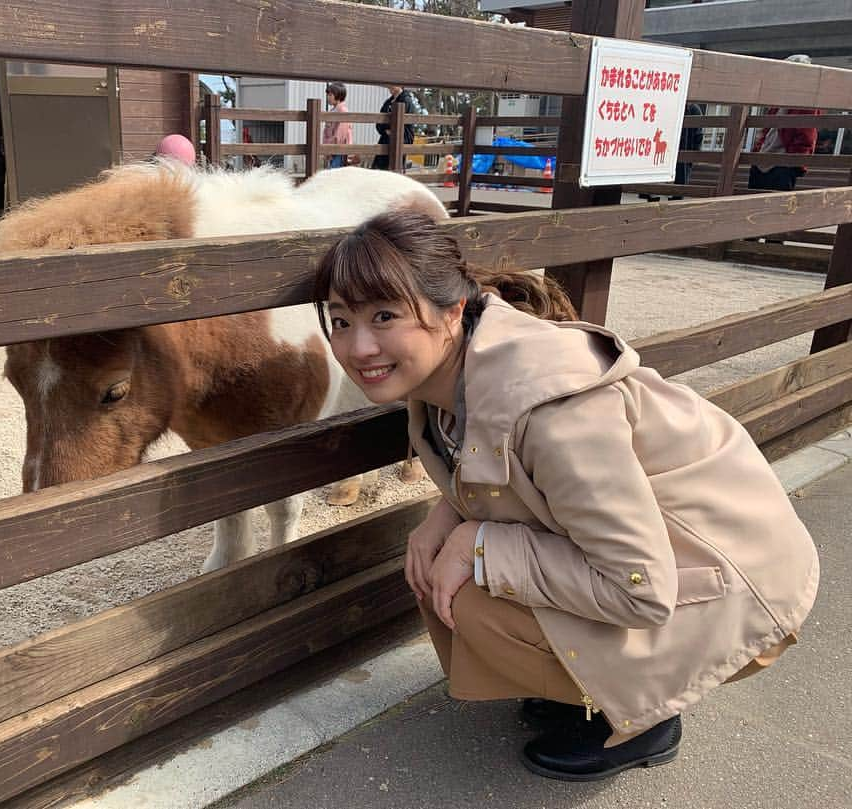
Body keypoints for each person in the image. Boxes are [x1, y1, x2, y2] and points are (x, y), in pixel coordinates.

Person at [313, 211, 818, 781]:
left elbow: (643, 591)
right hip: (676, 558)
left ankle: (646, 718)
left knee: (475, 590)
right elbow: (499, 462)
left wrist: (478, 543)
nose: (358, 347)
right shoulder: (454, 376)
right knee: (442, 563)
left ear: (452, 311)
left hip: (736, 583)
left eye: (385, 316)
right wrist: (444, 517)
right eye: (339, 320)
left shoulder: (554, 412)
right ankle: (589, 687)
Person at [748, 55, 822, 191]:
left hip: (782, 166)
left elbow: (807, 138)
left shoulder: (807, 104)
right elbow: (766, 131)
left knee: (776, 207)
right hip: (762, 162)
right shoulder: (778, 102)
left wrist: (791, 162)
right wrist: (757, 153)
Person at [372, 85, 422, 170]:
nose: (389, 87)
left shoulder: (406, 101)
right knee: (380, 168)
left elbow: (405, 125)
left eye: (393, 85)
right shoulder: (388, 102)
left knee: (395, 167)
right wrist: (386, 130)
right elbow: (379, 124)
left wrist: (392, 130)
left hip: (400, 140)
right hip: (385, 139)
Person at [323, 82, 353, 169]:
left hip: (339, 150)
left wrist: (330, 146)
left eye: (330, 95)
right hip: (333, 149)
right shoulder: (334, 110)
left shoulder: (342, 111)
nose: (327, 97)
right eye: (327, 95)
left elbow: (340, 135)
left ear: (338, 95)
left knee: (335, 174)